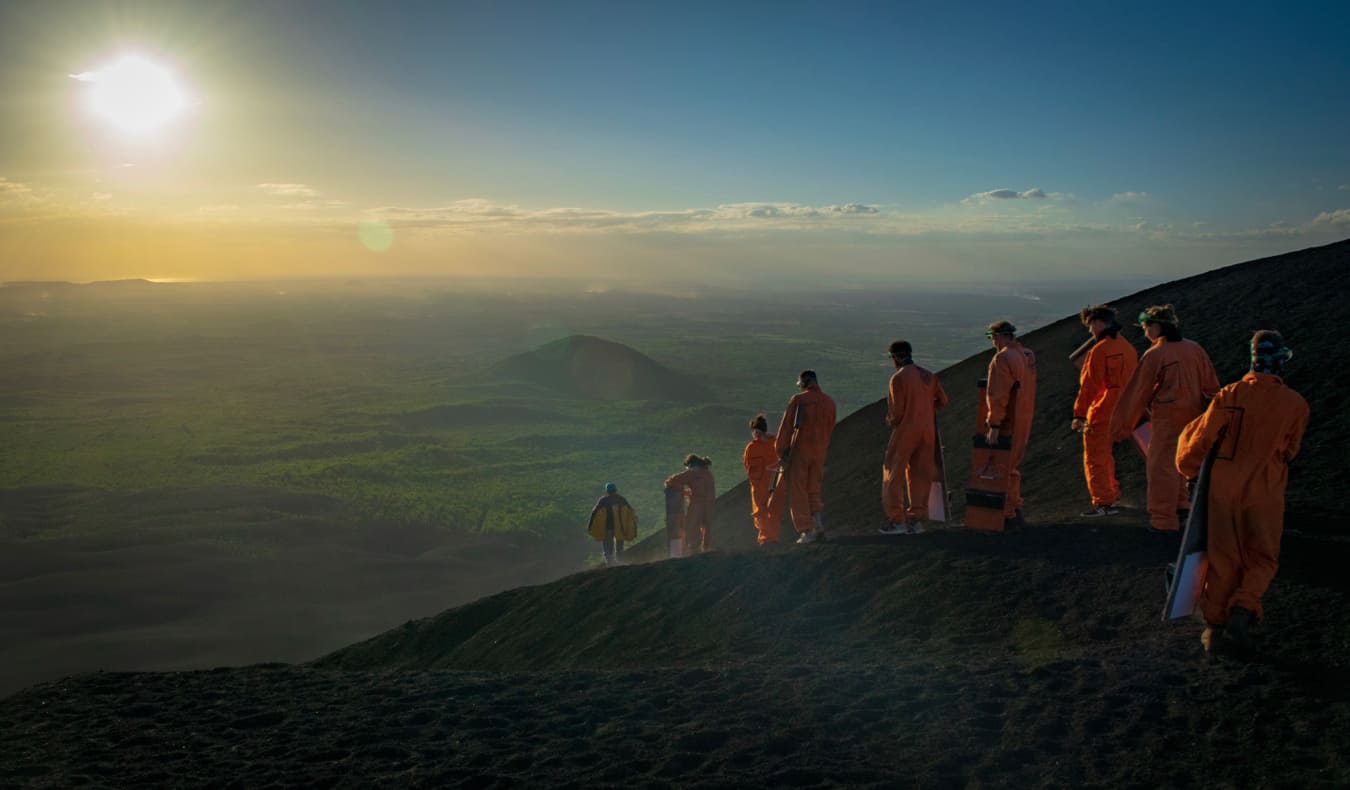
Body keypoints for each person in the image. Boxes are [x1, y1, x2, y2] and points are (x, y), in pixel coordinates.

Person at [1176, 330, 1308, 654]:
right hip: (1265, 490)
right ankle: (1244, 607)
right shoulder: (1296, 404)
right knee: (1262, 556)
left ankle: (1215, 630)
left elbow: (1203, 437)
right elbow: (1291, 451)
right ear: (1280, 362)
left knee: (1223, 559)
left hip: (1222, 487)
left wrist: (1189, 469)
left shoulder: (1229, 394)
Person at [1110, 304, 1219, 532]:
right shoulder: (1194, 348)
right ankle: (1182, 504)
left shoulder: (1155, 354)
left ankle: (1163, 520)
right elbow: (1211, 386)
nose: (1145, 332)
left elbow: (1138, 393)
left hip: (1168, 419)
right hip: (1195, 416)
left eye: (1145, 327)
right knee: (1184, 462)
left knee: (1161, 467)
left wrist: (1121, 427)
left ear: (1157, 327)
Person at [1071, 305, 1139, 517]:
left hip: (1103, 410)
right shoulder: (1128, 347)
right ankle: (1112, 495)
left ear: (1098, 323)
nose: (1090, 330)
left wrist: (1079, 414)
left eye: (1091, 325)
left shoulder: (1099, 351)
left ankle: (1104, 503)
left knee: (1095, 457)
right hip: (1125, 408)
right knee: (1106, 456)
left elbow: (1089, 386)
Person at [879, 340, 949, 535]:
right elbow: (943, 401)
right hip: (927, 431)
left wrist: (891, 420)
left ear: (896, 356)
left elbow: (896, 415)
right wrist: (926, 411)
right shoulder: (929, 375)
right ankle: (916, 520)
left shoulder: (898, 378)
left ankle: (896, 520)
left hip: (906, 430)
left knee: (893, 472)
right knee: (920, 475)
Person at [770, 370, 837, 544]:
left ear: (803, 383)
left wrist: (781, 451)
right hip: (819, 452)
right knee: (813, 489)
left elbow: (786, 429)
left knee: (798, 491)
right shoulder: (830, 402)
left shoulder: (799, 400)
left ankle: (807, 530)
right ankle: (819, 524)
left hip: (800, 452)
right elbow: (830, 429)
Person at [984, 320, 1037, 529]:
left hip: (1009, 420)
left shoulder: (1002, 358)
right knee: (1013, 466)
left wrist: (994, 424)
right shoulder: (1027, 355)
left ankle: (1007, 515)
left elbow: (997, 395)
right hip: (1025, 417)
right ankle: (1015, 510)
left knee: (1003, 466)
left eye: (992, 337)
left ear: (998, 336)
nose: (992, 342)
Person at [742, 414, 782, 544]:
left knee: (760, 511)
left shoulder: (752, 448)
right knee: (773, 509)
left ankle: (766, 538)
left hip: (759, 485)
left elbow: (748, 467)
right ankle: (771, 536)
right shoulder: (775, 442)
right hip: (776, 482)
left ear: (755, 431)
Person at [664, 454, 715, 554]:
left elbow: (670, 481)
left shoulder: (693, 473)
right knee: (707, 526)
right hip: (710, 503)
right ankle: (707, 549)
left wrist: (680, 490)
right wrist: (689, 492)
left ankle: (694, 549)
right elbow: (704, 489)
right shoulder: (708, 474)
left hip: (697, 504)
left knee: (691, 526)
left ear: (690, 464)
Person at [587, 482, 637, 567]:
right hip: (620, 527)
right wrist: (633, 525)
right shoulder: (621, 499)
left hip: (607, 527)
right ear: (615, 490)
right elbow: (631, 511)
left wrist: (590, 525)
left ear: (607, 491)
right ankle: (620, 560)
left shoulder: (603, 500)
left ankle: (610, 562)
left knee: (607, 545)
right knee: (619, 545)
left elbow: (594, 513)